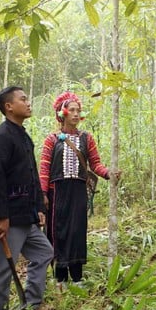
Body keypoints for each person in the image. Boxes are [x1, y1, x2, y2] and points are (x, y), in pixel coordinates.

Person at [0, 86, 53, 310]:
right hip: (10, 217)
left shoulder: (23, 136)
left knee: (44, 253)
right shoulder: (0, 138)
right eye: (23, 99)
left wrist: (39, 209)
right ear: (9, 107)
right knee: (2, 267)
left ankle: (31, 305)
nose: (28, 102)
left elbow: (31, 174)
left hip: (27, 215)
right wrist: (1, 216)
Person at [39, 91, 118, 287]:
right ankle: (60, 276)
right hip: (57, 191)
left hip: (78, 191)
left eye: (78, 110)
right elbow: (44, 168)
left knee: (77, 230)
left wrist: (109, 173)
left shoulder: (86, 138)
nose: (75, 114)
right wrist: (42, 194)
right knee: (58, 230)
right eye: (71, 110)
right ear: (62, 113)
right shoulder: (52, 139)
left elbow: (96, 164)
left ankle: (76, 276)